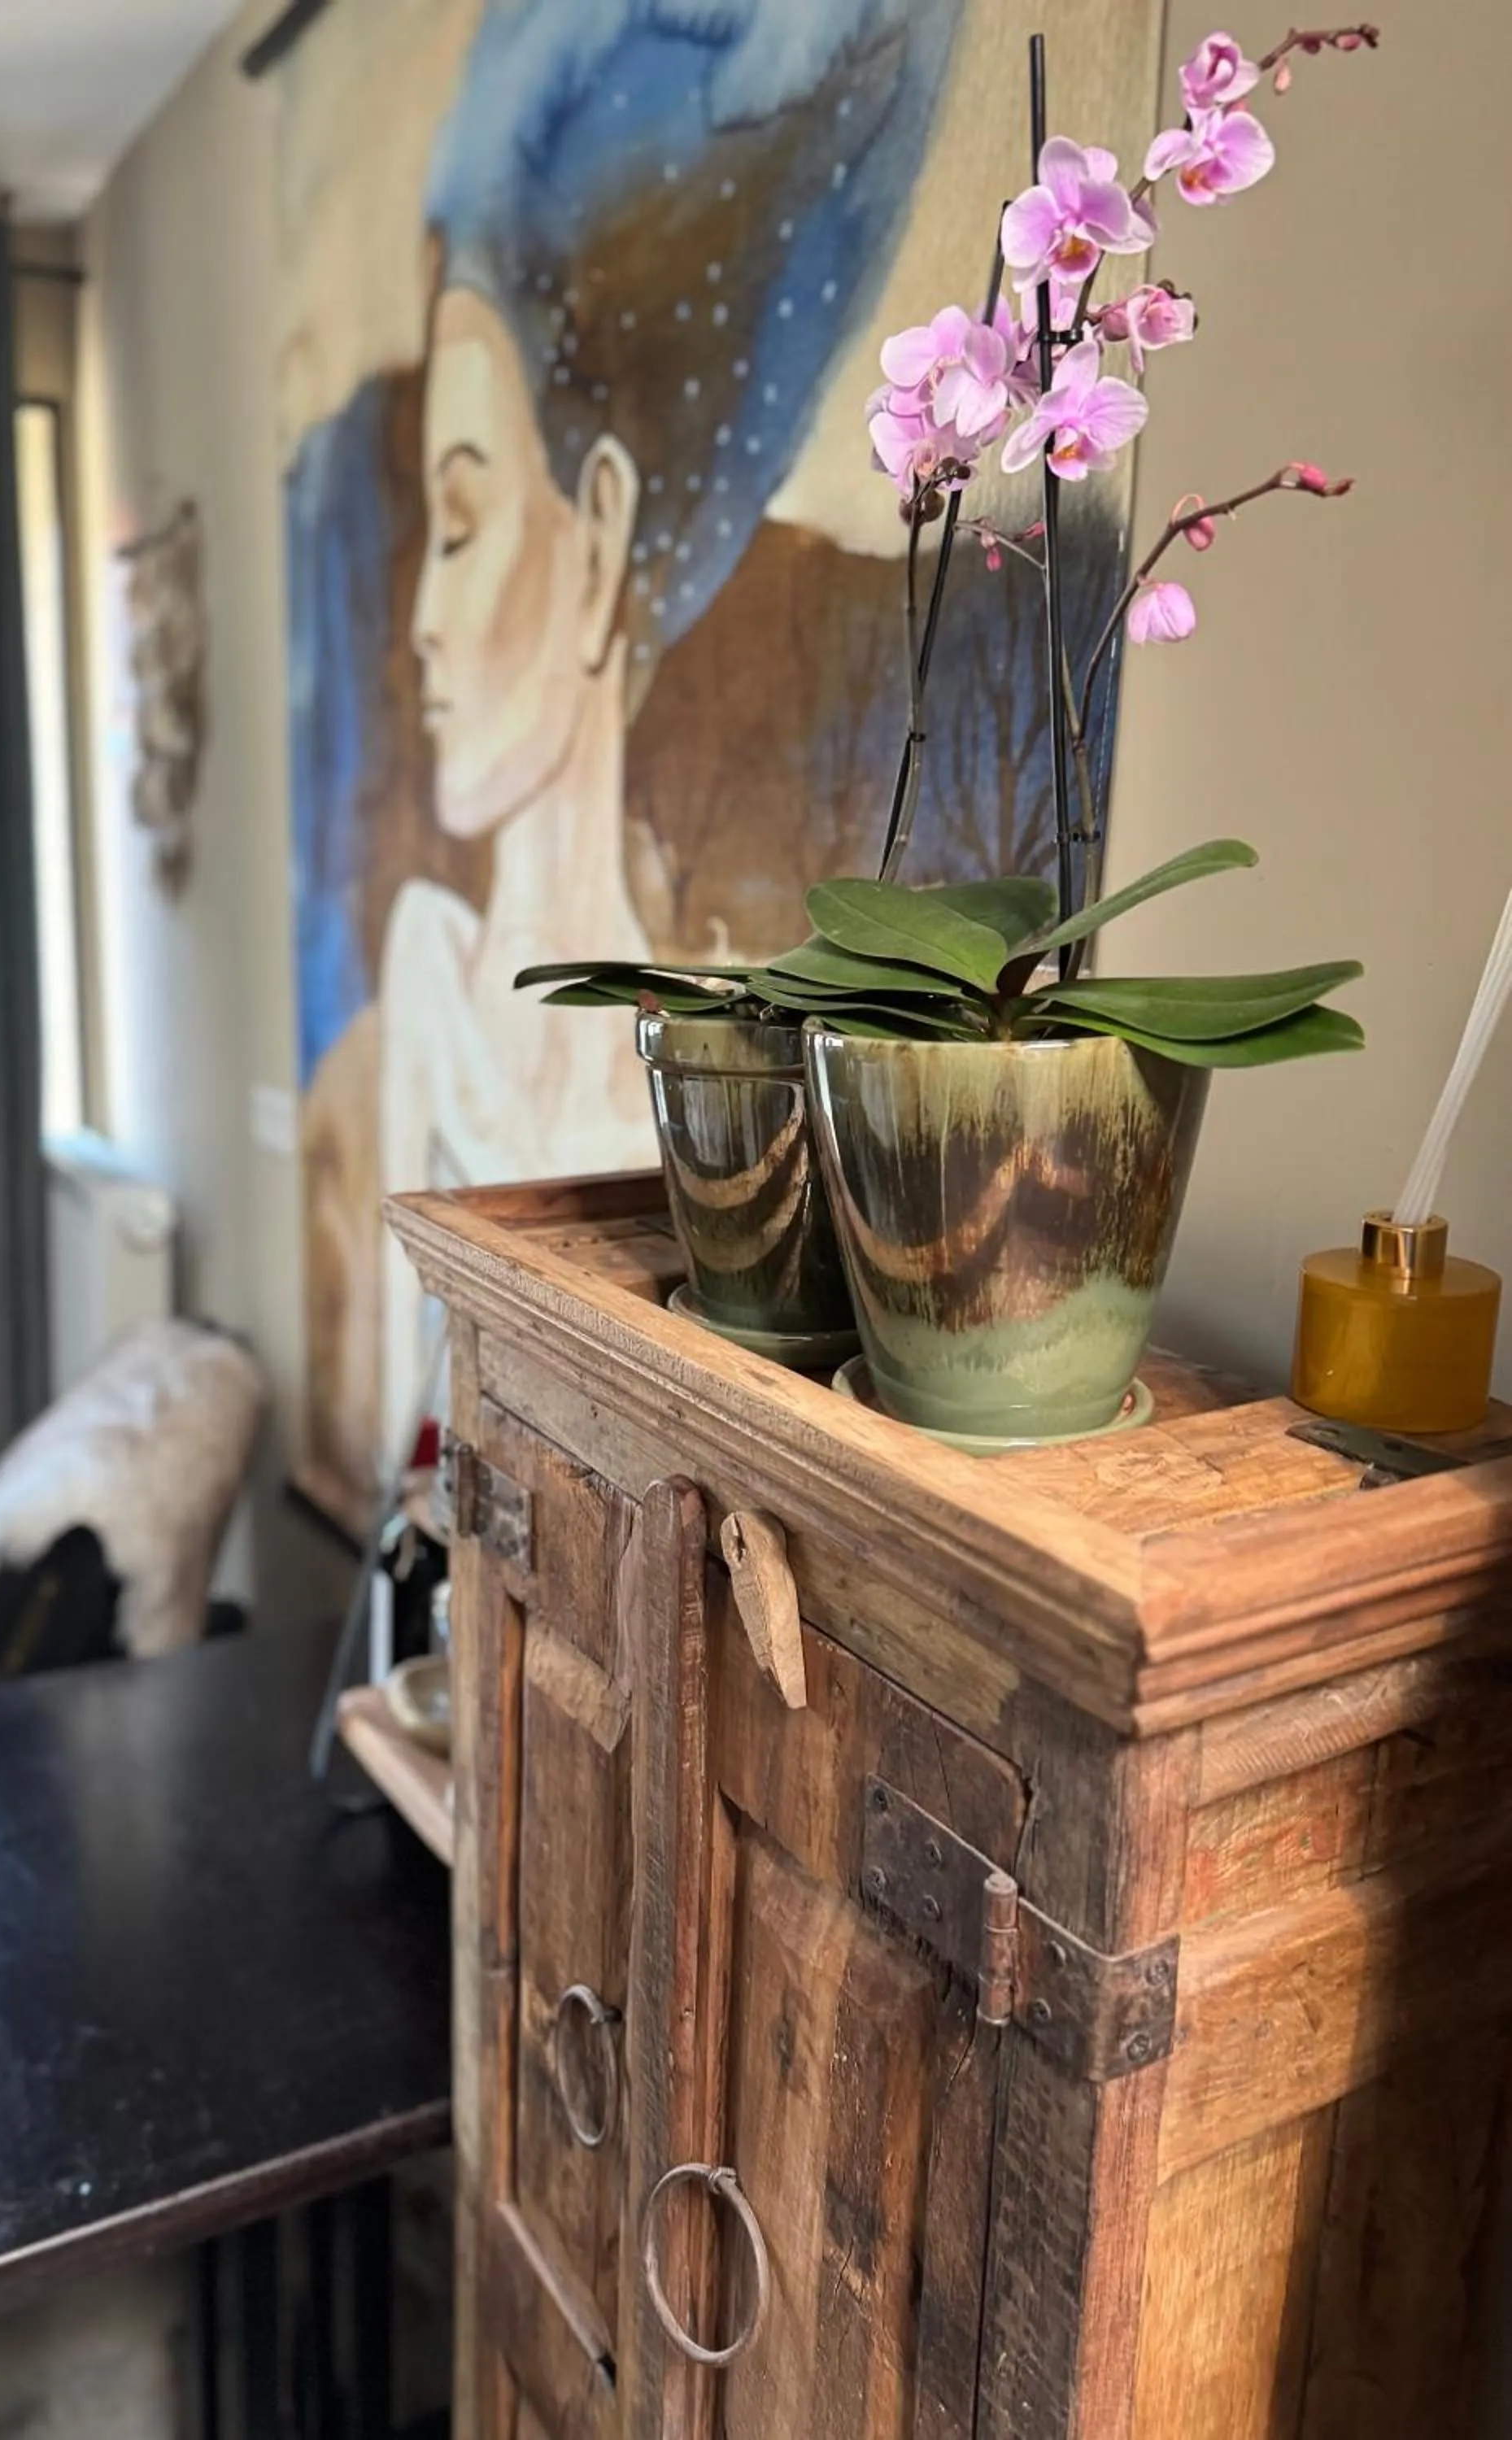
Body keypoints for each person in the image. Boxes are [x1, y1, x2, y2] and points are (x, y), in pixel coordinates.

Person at [298, 0, 967, 1491]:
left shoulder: (735, 1099)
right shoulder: (397, 1033)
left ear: (598, 535)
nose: (414, 618)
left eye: (459, 523)